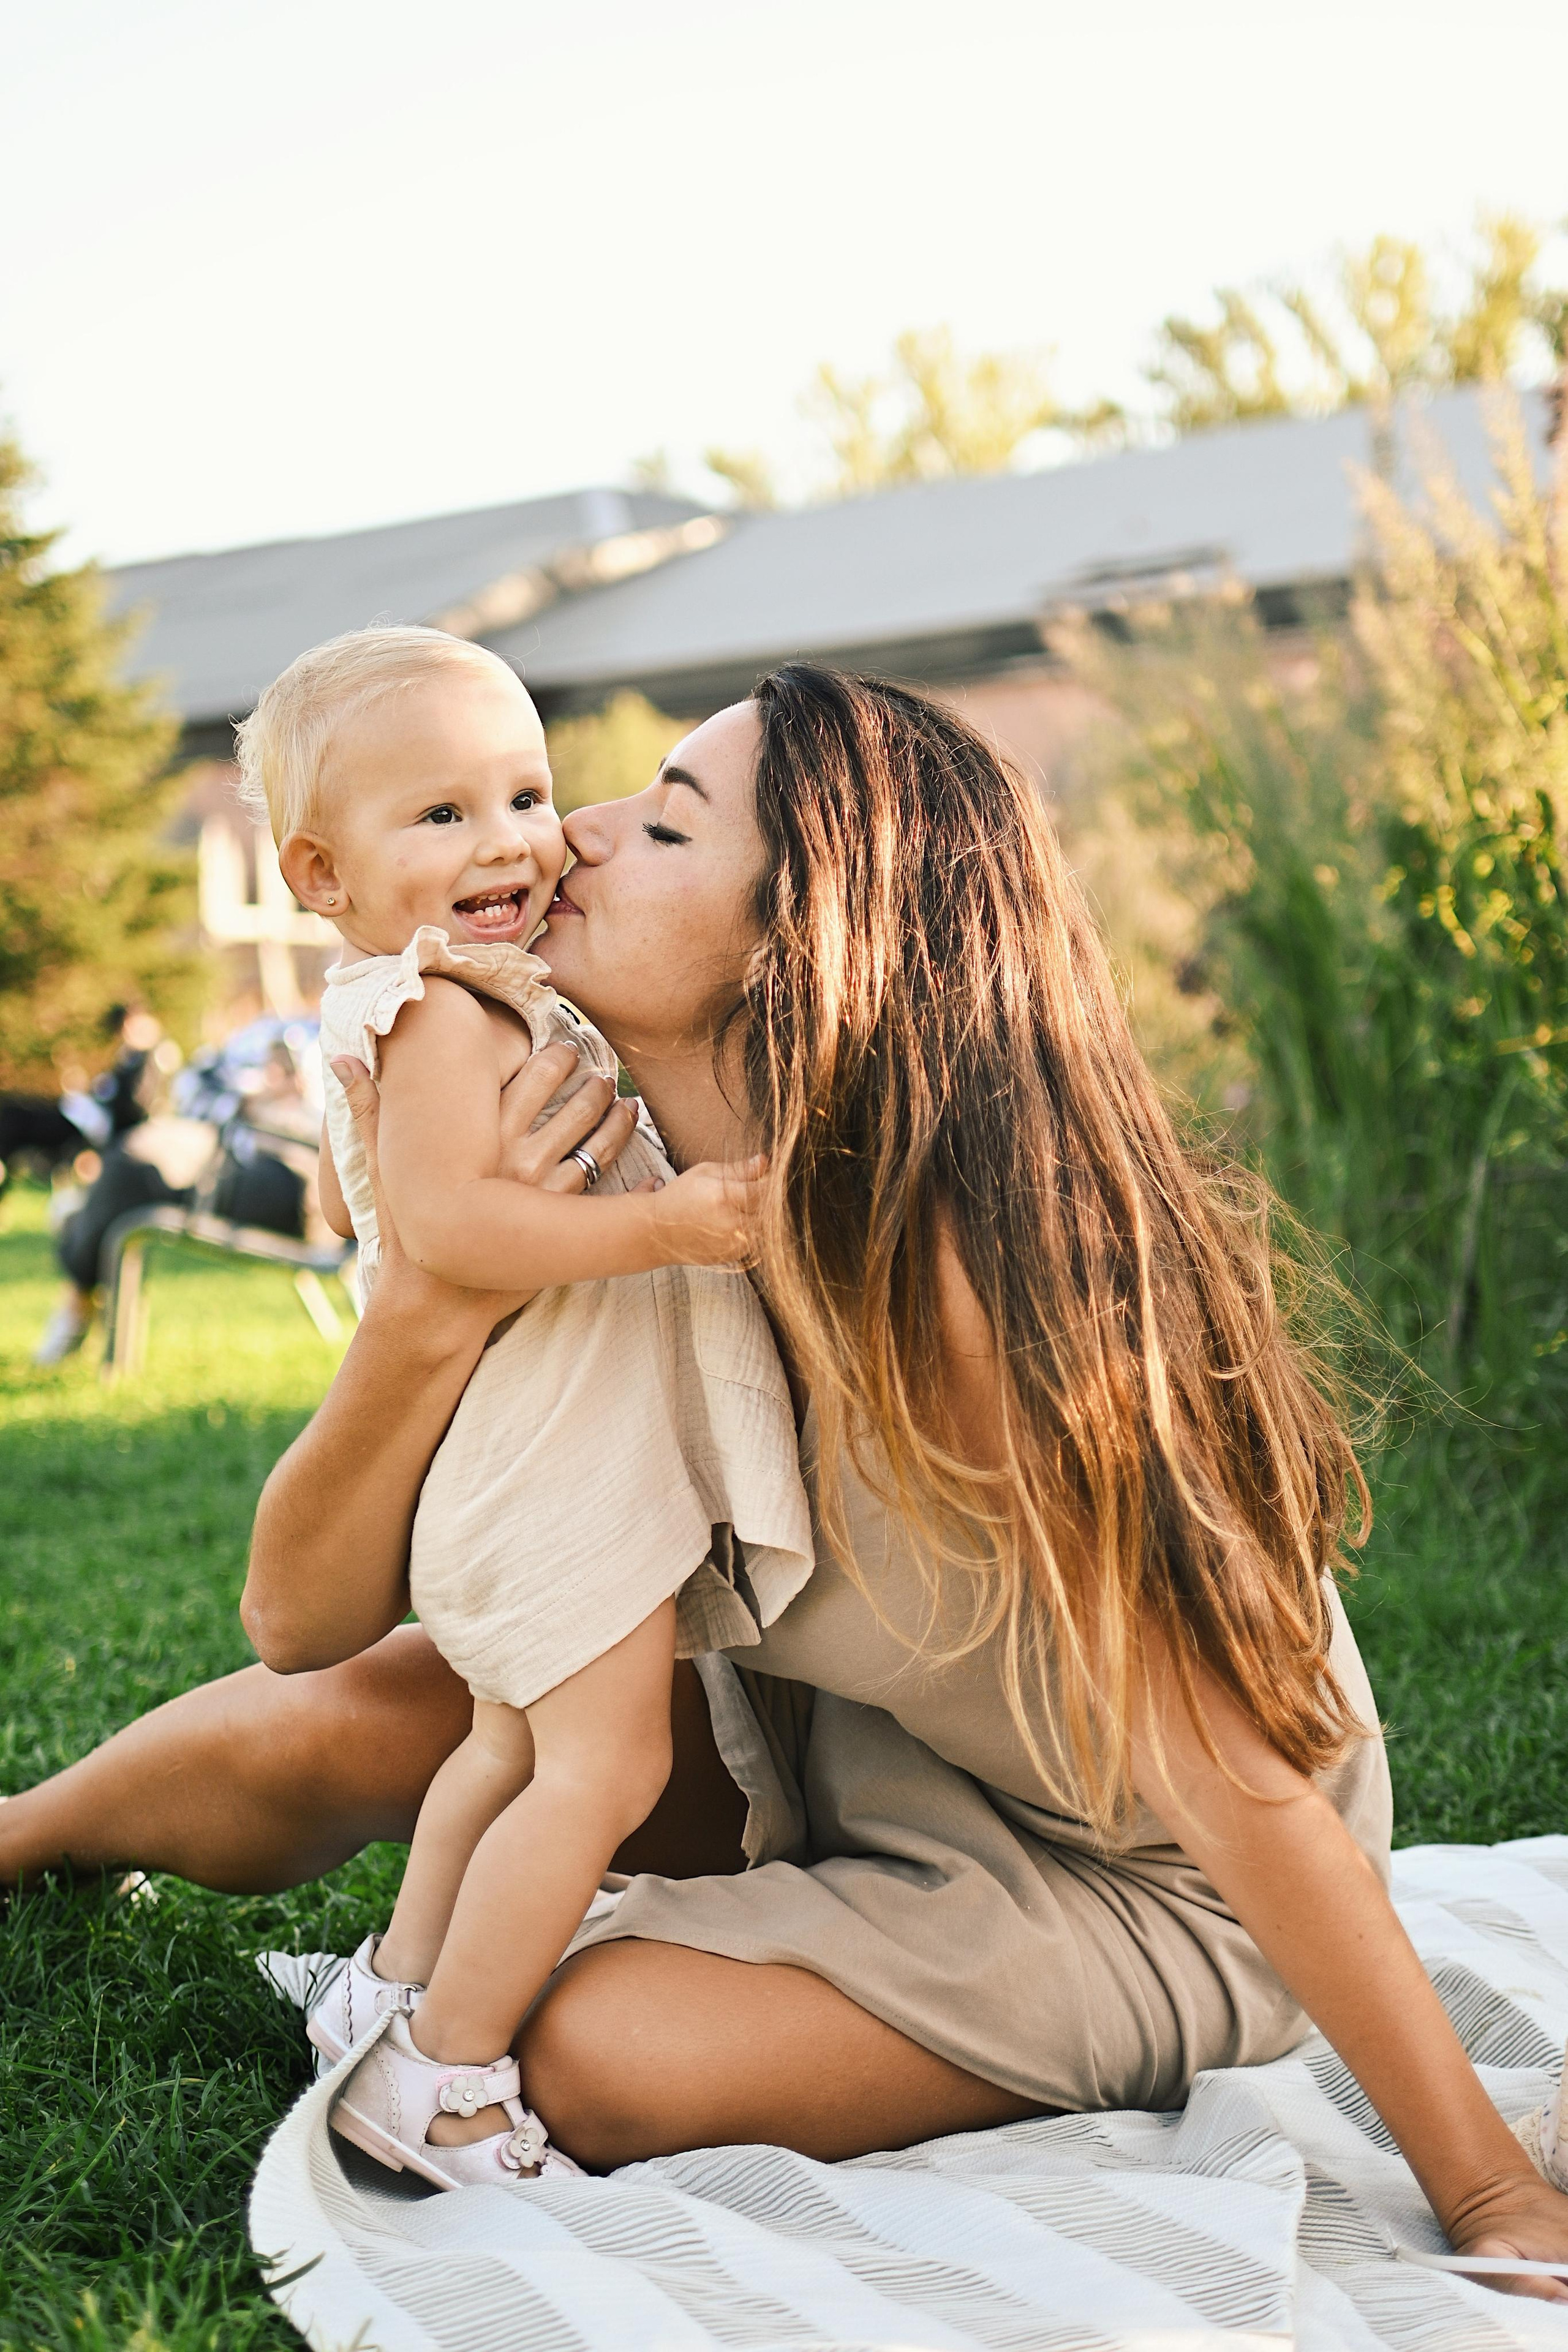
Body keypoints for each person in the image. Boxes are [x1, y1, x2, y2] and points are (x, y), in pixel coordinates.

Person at [2, 666, 1565, 2297]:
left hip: (1132, 1882)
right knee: (408, 1707)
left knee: (594, 2048)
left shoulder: (968, 1302)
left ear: (801, 942)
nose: (567, 839)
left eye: (660, 822)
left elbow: (1237, 1791)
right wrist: (426, 1304)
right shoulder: (611, 1196)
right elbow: (300, 1621)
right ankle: (18, 1839)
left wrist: (1485, 2192)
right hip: (849, 1744)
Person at [233, 624, 810, 2189]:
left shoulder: (488, 994)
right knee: (603, 1770)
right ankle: (447, 2082)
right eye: (438, 817)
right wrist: (672, 1223)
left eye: (522, 792)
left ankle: (393, 1988)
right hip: (539, 1464)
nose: (504, 841)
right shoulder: (428, 1011)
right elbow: (450, 1238)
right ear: (319, 872)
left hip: (518, 1460)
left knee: (500, 1747)